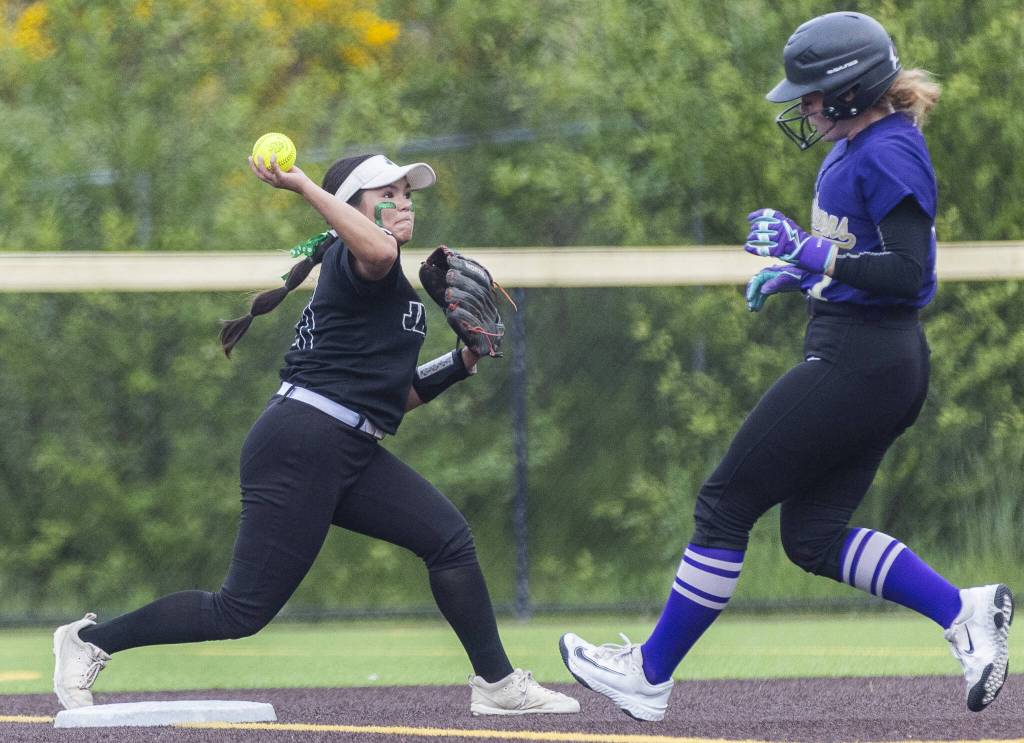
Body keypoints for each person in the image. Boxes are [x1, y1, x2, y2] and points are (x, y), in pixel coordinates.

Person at [559, 11, 1012, 722]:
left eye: (808, 92)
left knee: (724, 501)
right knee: (813, 538)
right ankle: (964, 610)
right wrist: (804, 278)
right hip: (866, 354)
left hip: (865, 357)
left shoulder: (890, 150)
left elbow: (908, 274)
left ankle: (648, 673)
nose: (799, 104)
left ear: (848, 90)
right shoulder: (851, 149)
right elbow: (860, 258)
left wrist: (810, 255)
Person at [52, 151, 579, 717]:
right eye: (387, 194)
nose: (403, 202)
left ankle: (497, 686)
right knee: (240, 611)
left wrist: (461, 361)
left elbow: (391, 397)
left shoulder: (387, 284)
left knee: (447, 540)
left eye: (407, 194)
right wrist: (302, 183)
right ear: (350, 209)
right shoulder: (364, 262)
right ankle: (90, 643)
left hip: (345, 442)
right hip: (303, 441)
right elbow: (375, 248)